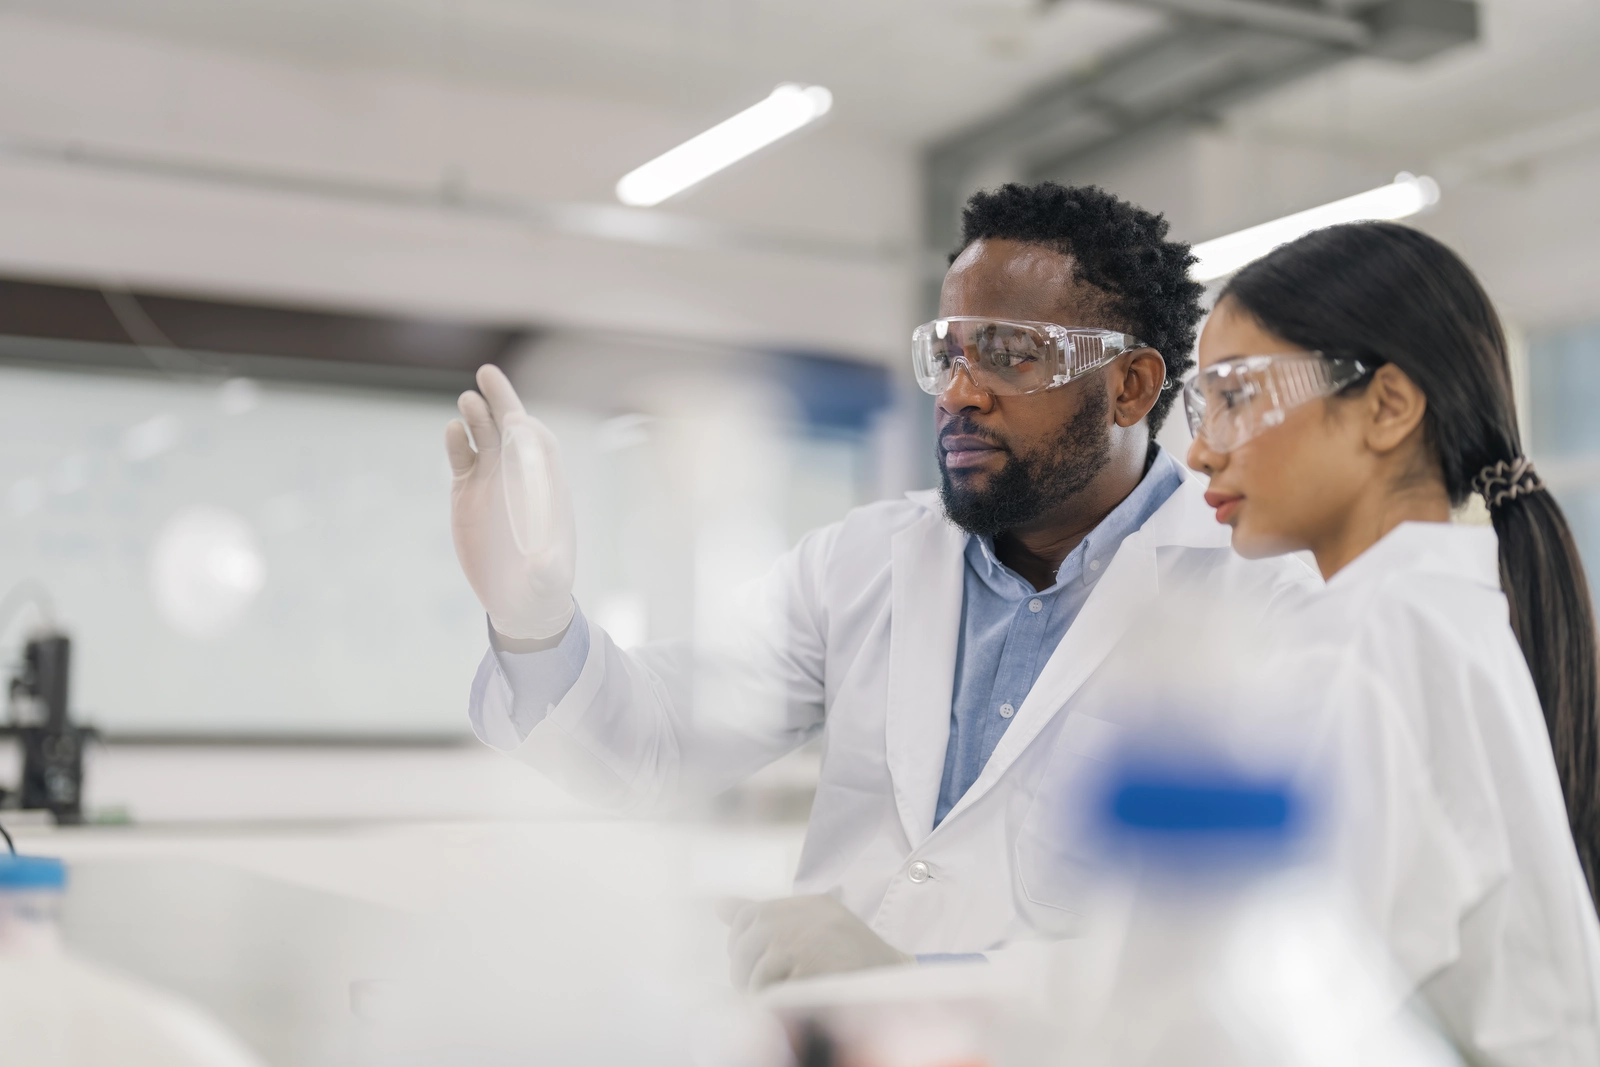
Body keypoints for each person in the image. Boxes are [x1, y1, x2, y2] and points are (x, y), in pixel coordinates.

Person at [447, 182, 1314, 988]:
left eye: (1010, 355)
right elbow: (657, 744)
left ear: (1129, 386)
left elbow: (1242, 949)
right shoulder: (859, 561)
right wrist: (533, 622)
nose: (960, 394)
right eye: (947, 354)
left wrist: (926, 974)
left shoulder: (1255, 601)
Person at [1185, 220, 1600, 1065]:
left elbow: (1273, 1016)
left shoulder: (1369, 638)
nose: (1198, 450)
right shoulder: (1443, 611)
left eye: (1234, 396)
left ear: (1386, 407)